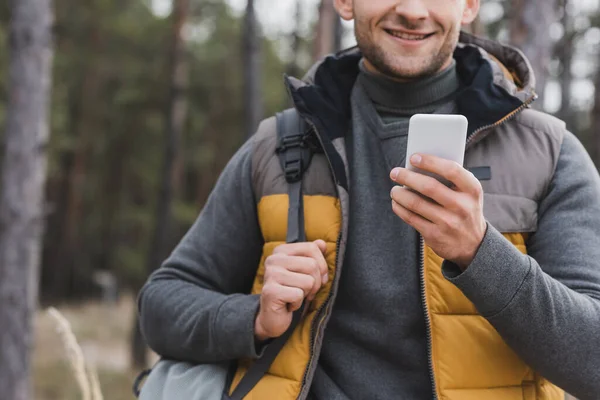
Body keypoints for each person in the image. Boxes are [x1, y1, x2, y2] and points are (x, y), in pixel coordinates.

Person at [137, 0, 600, 399]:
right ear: (343, 2)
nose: (413, 11)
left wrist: (481, 253)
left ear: (470, 4)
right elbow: (161, 305)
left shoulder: (550, 155)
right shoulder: (278, 147)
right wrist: (253, 317)